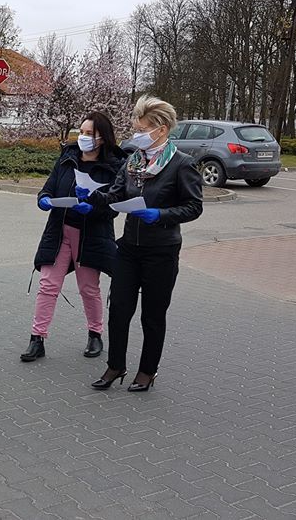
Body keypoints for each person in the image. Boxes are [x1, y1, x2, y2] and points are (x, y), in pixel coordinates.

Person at [81, 95, 202, 392]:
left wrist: (159, 214)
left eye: (142, 128)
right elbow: (116, 194)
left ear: (161, 129)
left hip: (161, 251)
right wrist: (92, 197)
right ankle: (115, 366)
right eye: (136, 127)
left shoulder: (181, 164)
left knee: (152, 314)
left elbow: (193, 206)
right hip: (129, 249)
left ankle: (147, 371)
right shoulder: (133, 160)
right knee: (119, 309)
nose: (136, 133)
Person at [22, 112, 126, 363]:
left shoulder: (113, 166)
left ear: (102, 137)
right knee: (48, 285)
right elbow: (48, 186)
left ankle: (95, 334)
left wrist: (94, 207)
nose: (83, 137)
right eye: (81, 132)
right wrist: (44, 199)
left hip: (91, 234)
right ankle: (37, 339)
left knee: (88, 288)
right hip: (60, 230)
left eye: (89, 133)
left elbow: (116, 203)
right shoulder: (67, 158)